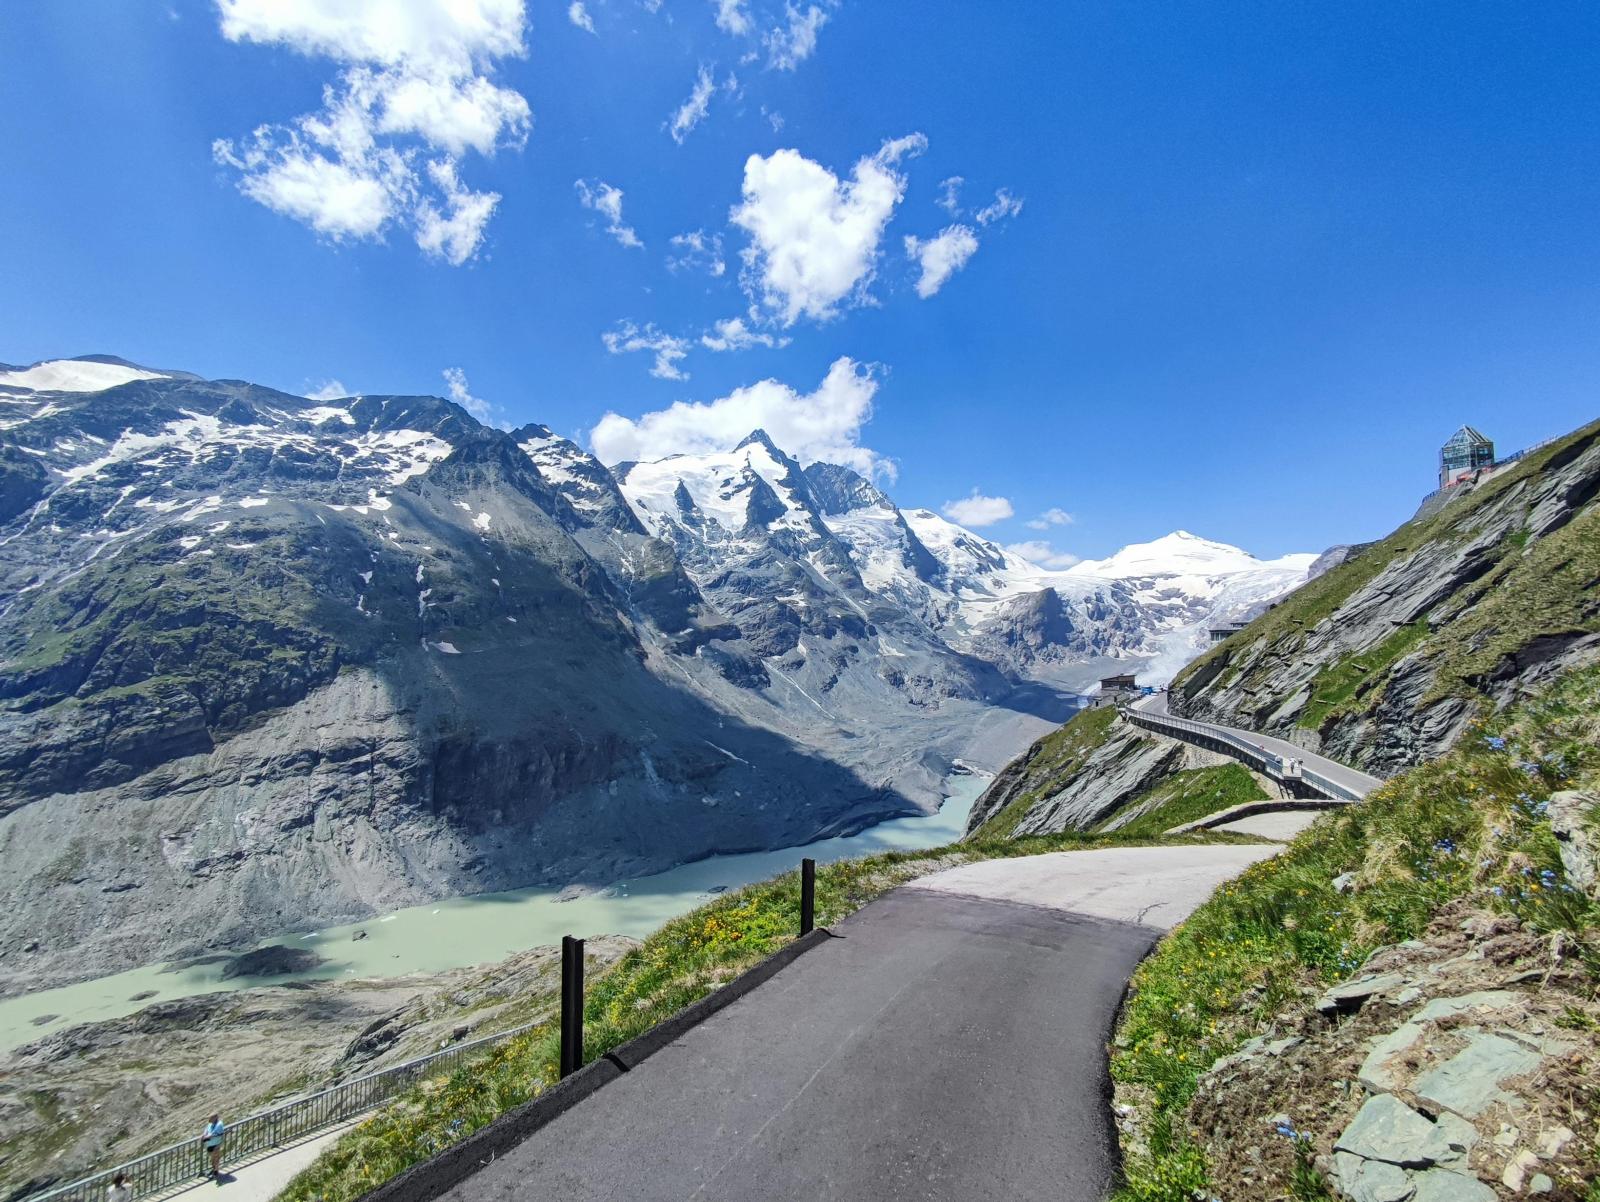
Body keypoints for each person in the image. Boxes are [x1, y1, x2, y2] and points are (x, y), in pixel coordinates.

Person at [203, 1114, 226, 1179]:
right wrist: (204, 1134)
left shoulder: (219, 1124)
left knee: (216, 1159)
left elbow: (214, 1133)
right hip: (209, 1145)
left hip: (216, 1145)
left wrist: (206, 1137)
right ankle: (214, 1170)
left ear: (215, 1118)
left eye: (210, 1118)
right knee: (212, 1159)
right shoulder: (210, 1124)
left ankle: (216, 1172)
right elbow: (206, 1129)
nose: (209, 1120)